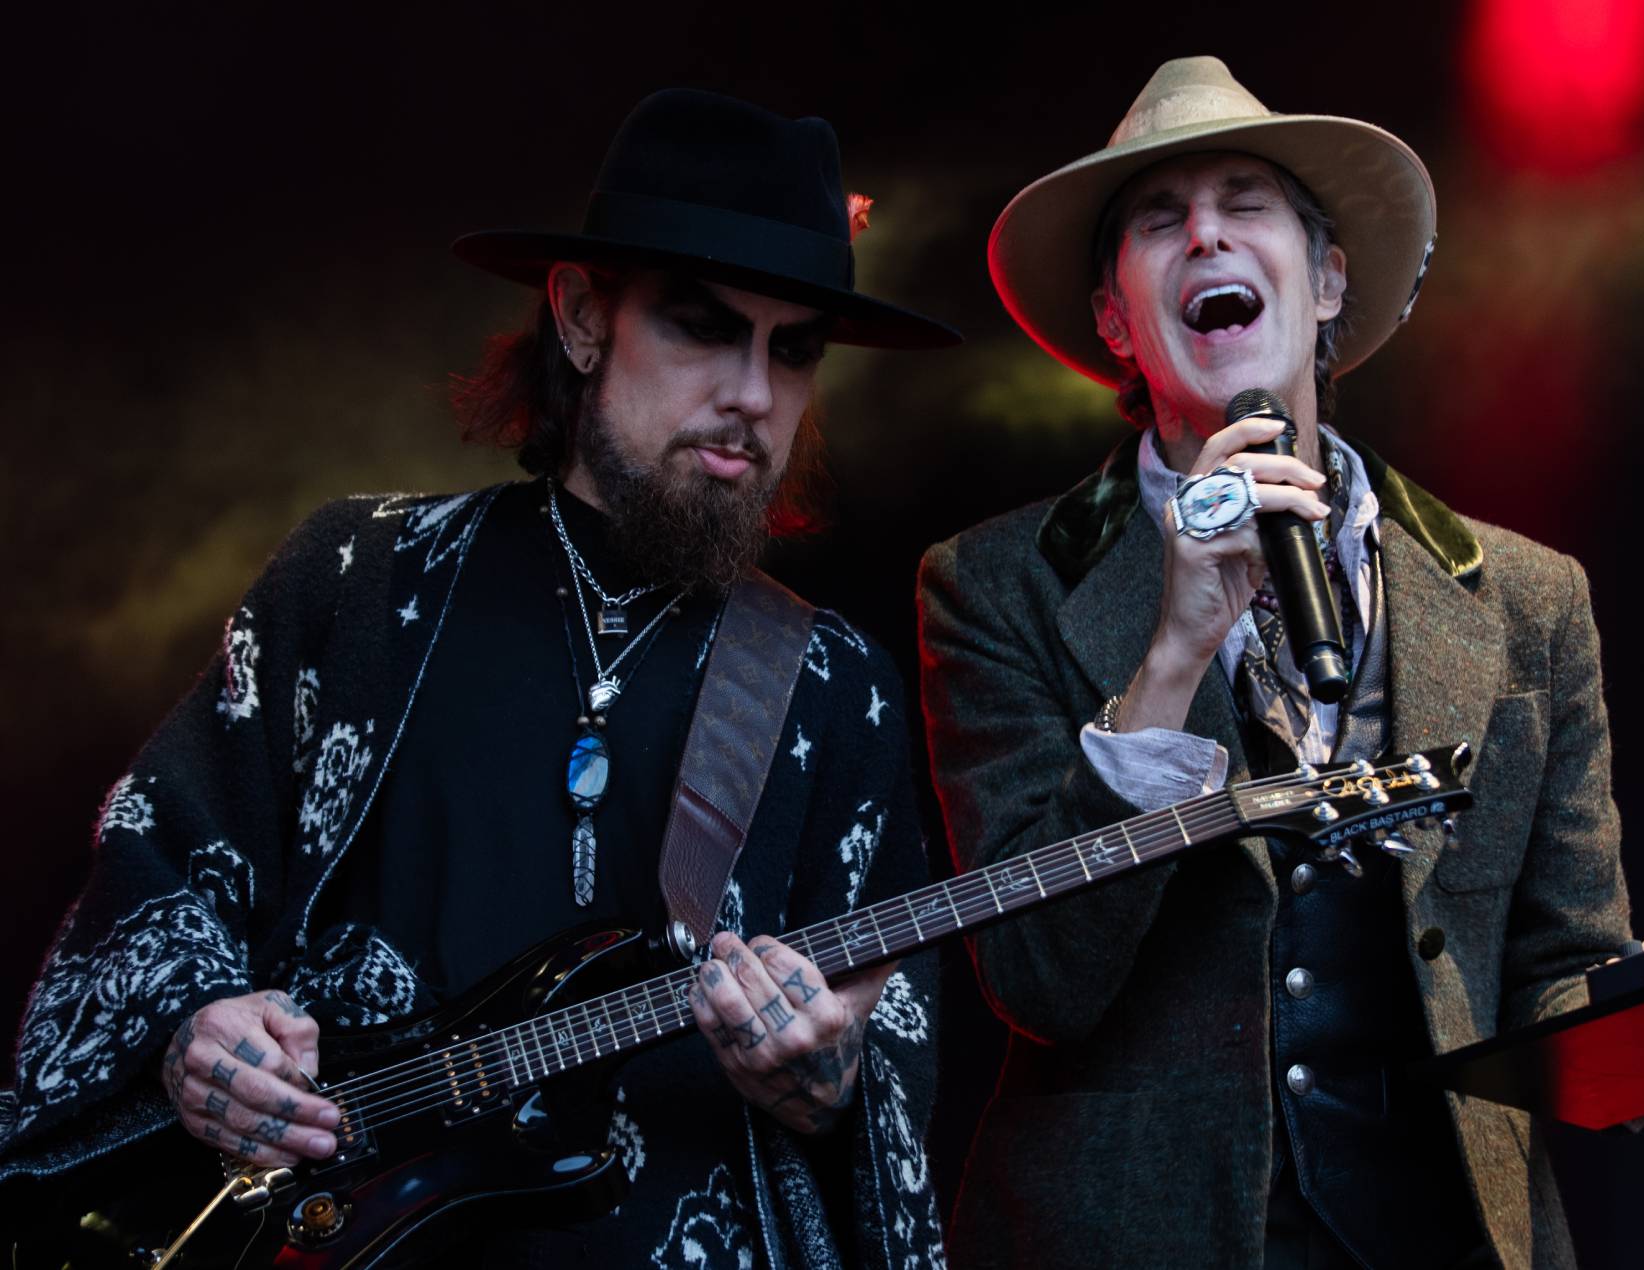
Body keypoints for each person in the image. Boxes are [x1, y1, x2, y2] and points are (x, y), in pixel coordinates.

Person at [0, 89, 955, 1267]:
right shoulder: (355, 577)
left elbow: (893, 1026)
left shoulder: (831, 682)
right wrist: (200, 1034)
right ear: (580, 316)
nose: (753, 395)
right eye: (702, 326)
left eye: (793, 347)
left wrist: (834, 1080)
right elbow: (155, 857)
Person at [918, 57, 1644, 1269]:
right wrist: (1173, 651)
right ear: (1115, 319)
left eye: (1245, 202)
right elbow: (1039, 981)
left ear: (1327, 277)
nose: (1202, 234)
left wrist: (1643, 1019)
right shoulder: (994, 586)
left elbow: (1555, 969)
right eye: (1154, 219)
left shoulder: (1525, 599)